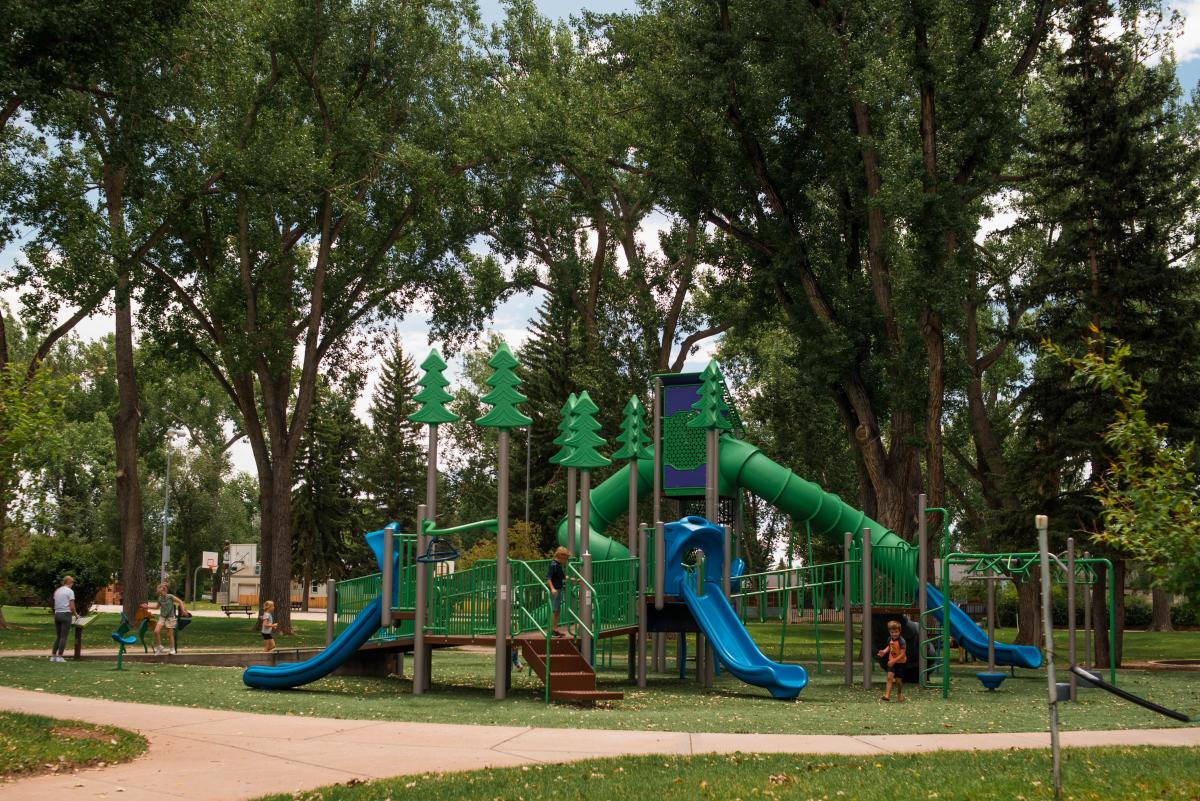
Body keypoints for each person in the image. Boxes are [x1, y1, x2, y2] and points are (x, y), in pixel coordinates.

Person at [143, 581, 185, 655]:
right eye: (159, 591)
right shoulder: (160, 598)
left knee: (169, 634)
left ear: (164, 590)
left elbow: (180, 601)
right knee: (156, 631)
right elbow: (157, 607)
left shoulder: (170, 596)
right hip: (162, 617)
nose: (159, 593)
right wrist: (147, 606)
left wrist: (183, 610)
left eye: (160, 591)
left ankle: (172, 649)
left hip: (170, 618)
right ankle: (160, 647)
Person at [546, 546, 577, 636]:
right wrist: (552, 588)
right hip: (555, 590)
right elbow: (548, 578)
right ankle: (552, 630)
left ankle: (555, 629)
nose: (566, 560)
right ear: (561, 556)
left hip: (558, 589)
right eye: (566, 558)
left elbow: (564, 577)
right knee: (555, 610)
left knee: (557, 610)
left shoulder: (558, 566)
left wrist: (574, 580)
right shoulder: (553, 565)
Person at [876, 620, 908, 702]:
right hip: (892, 662)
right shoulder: (889, 639)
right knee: (889, 677)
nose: (894, 634)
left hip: (900, 663)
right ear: (889, 632)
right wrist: (884, 651)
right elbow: (889, 647)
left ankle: (899, 693)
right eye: (892, 632)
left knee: (898, 681)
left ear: (900, 631)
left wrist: (893, 661)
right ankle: (887, 695)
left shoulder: (902, 641)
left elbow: (902, 654)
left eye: (896, 632)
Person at [50, 576, 77, 663]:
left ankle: (53, 656)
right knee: (63, 637)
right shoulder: (70, 591)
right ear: (70, 582)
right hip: (66, 614)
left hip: (57, 614)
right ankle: (60, 656)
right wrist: (76, 615)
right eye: (72, 583)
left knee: (58, 636)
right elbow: (72, 606)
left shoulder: (57, 590)